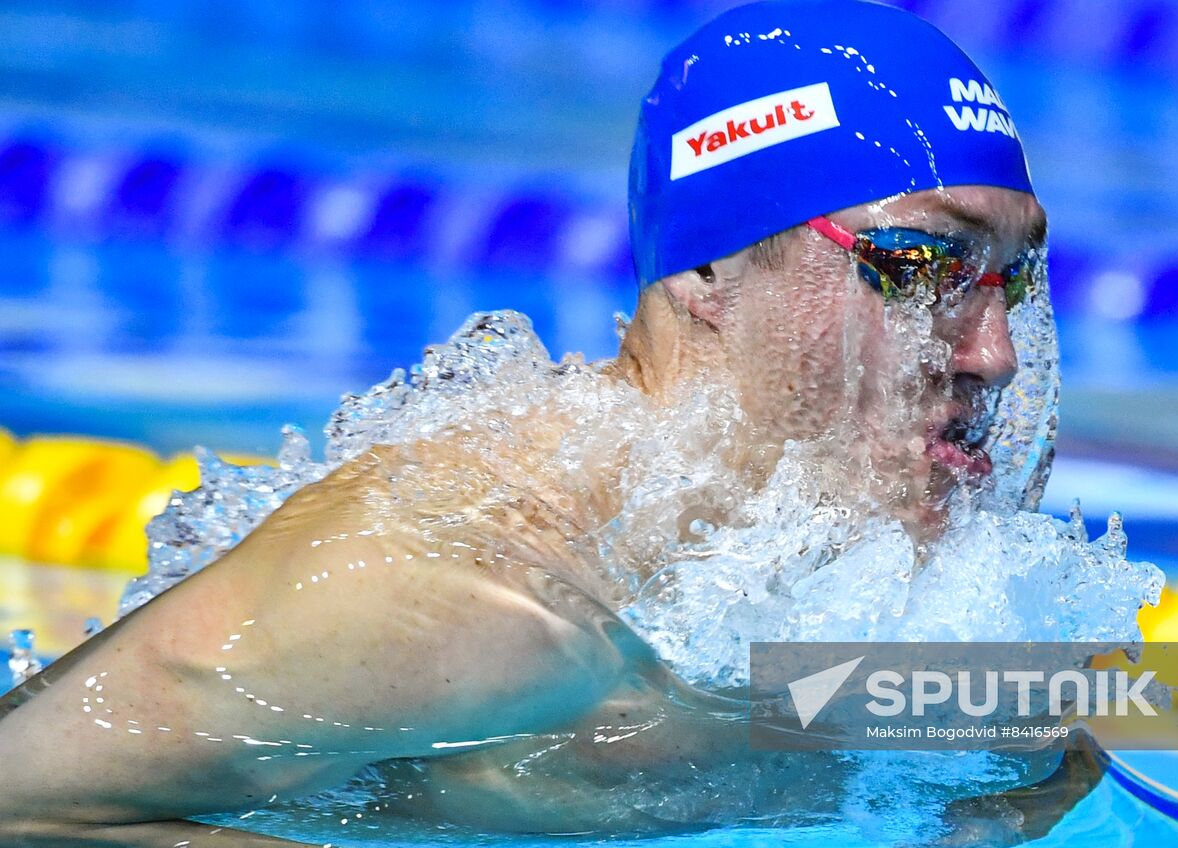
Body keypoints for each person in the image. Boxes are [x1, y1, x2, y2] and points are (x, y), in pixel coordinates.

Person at [0, 1, 1076, 844]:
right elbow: (29, 805)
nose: (993, 353)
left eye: (1011, 277)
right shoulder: (463, 586)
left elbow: (1055, 760)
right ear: (710, 267)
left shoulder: (857, 575)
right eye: (918, 266)